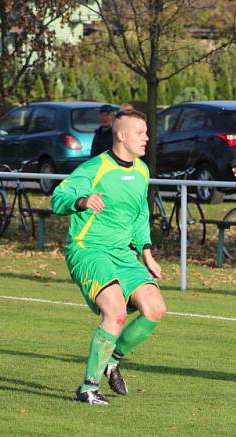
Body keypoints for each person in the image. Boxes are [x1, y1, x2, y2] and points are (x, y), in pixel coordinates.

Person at [51, 109, 166, 405]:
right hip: (89, 250)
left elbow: (140, 215)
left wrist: (147, 253)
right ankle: (88, 387)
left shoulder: (141, 171)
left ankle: (112, 360)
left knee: (155, 309)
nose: (147, 138)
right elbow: (57, 197)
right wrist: (82, 200)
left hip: (123, 254)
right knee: (115, 313)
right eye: (140, 133)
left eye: (147, 132)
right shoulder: (94, 168)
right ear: (121, 135)